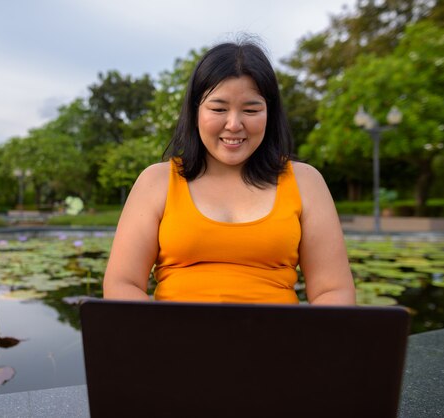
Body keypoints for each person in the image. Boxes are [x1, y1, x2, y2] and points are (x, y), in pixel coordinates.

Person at [103, 39, 355, 305]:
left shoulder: (306, 181)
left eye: (251, 110)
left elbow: (333, 291)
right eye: (218, 109)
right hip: (175, 340)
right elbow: (123, 283)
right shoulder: (156, 181)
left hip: (279, 342)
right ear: (195, 110)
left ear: (270, 113)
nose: (234, 124)